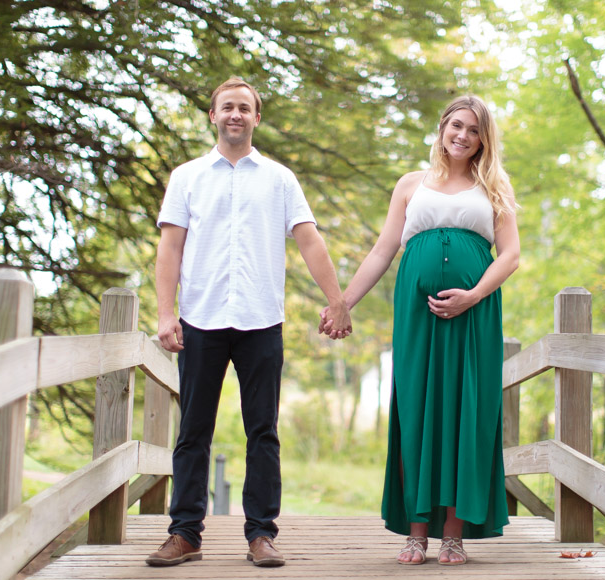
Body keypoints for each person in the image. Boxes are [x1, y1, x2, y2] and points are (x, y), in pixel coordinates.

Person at [147, 77, 351, 568]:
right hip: (202, 320)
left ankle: (261, 535)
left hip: (261, 321)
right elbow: (170, 246)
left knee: (263, 431)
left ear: (257, 118)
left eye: (244, 108)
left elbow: (308, 240)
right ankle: (185, 534)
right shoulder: (187, 176)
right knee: (193, 430)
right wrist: (164, 312)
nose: (235, 114)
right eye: (227, 108)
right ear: (213, 116)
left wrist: (337, 301)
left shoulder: (279, 179)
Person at [322, 95, 519, 565]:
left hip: (474, 317)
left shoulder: (494, 186)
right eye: (456, 125)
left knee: (464, 413)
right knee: (416, 410)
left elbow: (510, 254)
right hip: (416, 315)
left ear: (483, 139)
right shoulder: (411, 184)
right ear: (442, 127)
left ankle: (453, 534)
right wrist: (343, 302)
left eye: (473, 130)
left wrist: (473, 295)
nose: (463, 136)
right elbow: (382, 251)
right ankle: (415, 533)